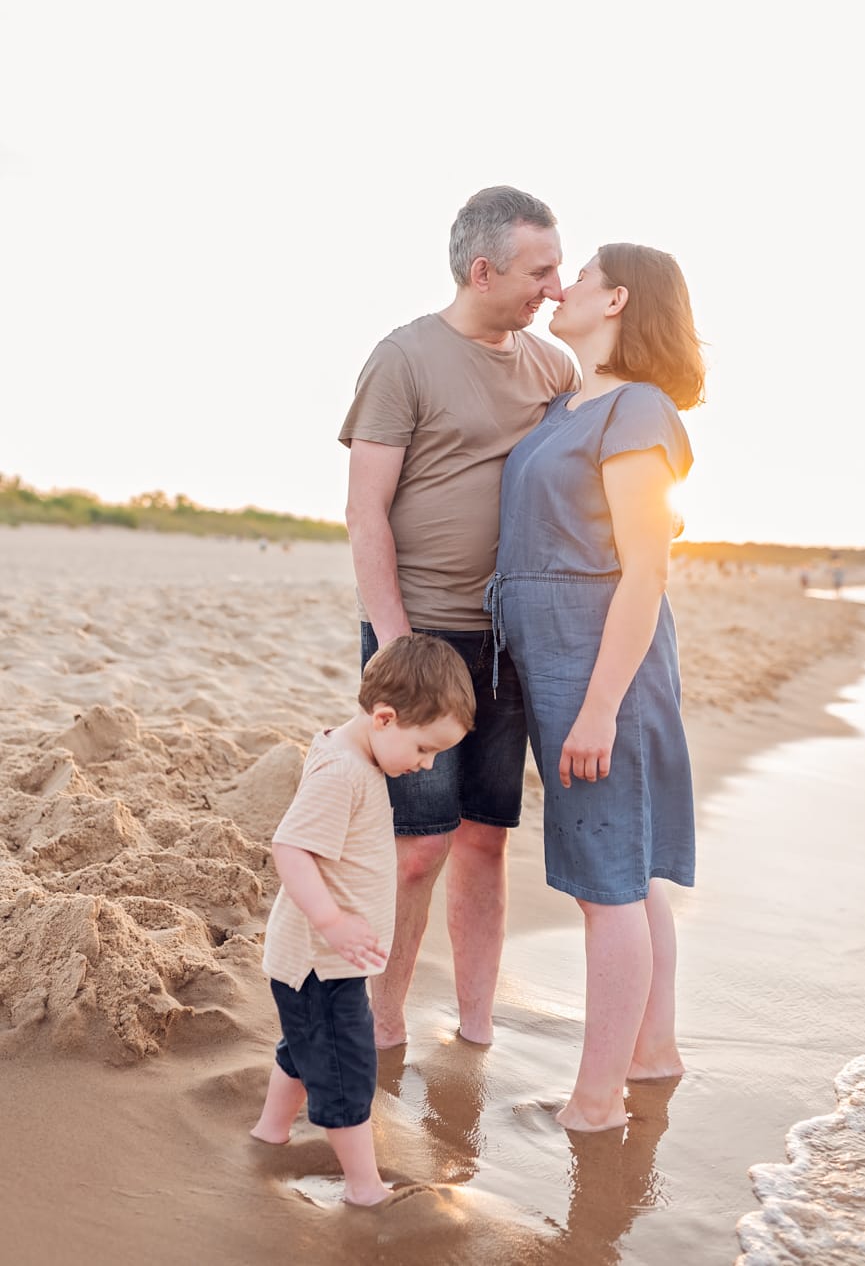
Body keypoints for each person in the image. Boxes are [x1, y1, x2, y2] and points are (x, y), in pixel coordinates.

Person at [339, 186, 578, 1049]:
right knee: (418, 847)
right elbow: (366, 512)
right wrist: (396, 644)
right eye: (539, 271)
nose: (554, 289)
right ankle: (384, 1023)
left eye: (558, 269)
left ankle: (477, 1029)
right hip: (420, 635)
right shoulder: (403, 357)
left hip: (512, 638)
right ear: (482, 270)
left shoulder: (555, 369)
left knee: (484, 840)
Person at [485, 242, 705, 1132]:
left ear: (616, 299)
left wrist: (602, 707)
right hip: (554, 656)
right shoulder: (567, 404)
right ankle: (652, 1052)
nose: (560, 288)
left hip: (601, 665)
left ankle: (597, 1102)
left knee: (605, 879)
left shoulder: (638, 408)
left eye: (577, 277)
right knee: (629, 869)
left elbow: (646, 571)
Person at [251, 634, 475, 1204]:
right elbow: (290, 848)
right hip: (318, 962)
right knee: (348, 1069)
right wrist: (332, 922)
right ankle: (364, 1187)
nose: (426, 764)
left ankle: (271, 1131)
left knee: (303, 1048)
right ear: (384, 717)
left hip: (325, 962)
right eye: (424, 748)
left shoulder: (355, 754)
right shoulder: (343, 773)